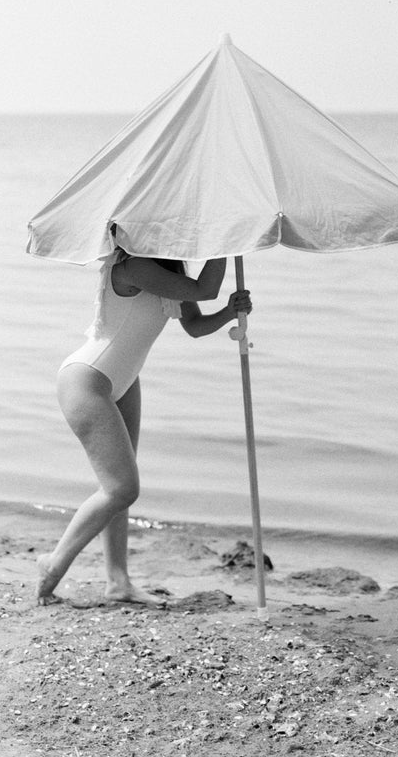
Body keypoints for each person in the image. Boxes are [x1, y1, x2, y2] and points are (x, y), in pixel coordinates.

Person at [36, 248, 252, 605]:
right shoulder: (131, 266)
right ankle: (53, 562)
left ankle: (118, 582)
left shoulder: (170, 268)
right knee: (121, 489)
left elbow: (195, 326)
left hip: (123, 380)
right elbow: (205, 288)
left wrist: (231, 312)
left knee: (117, 487)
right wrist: (227, 241)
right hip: (87, 381)